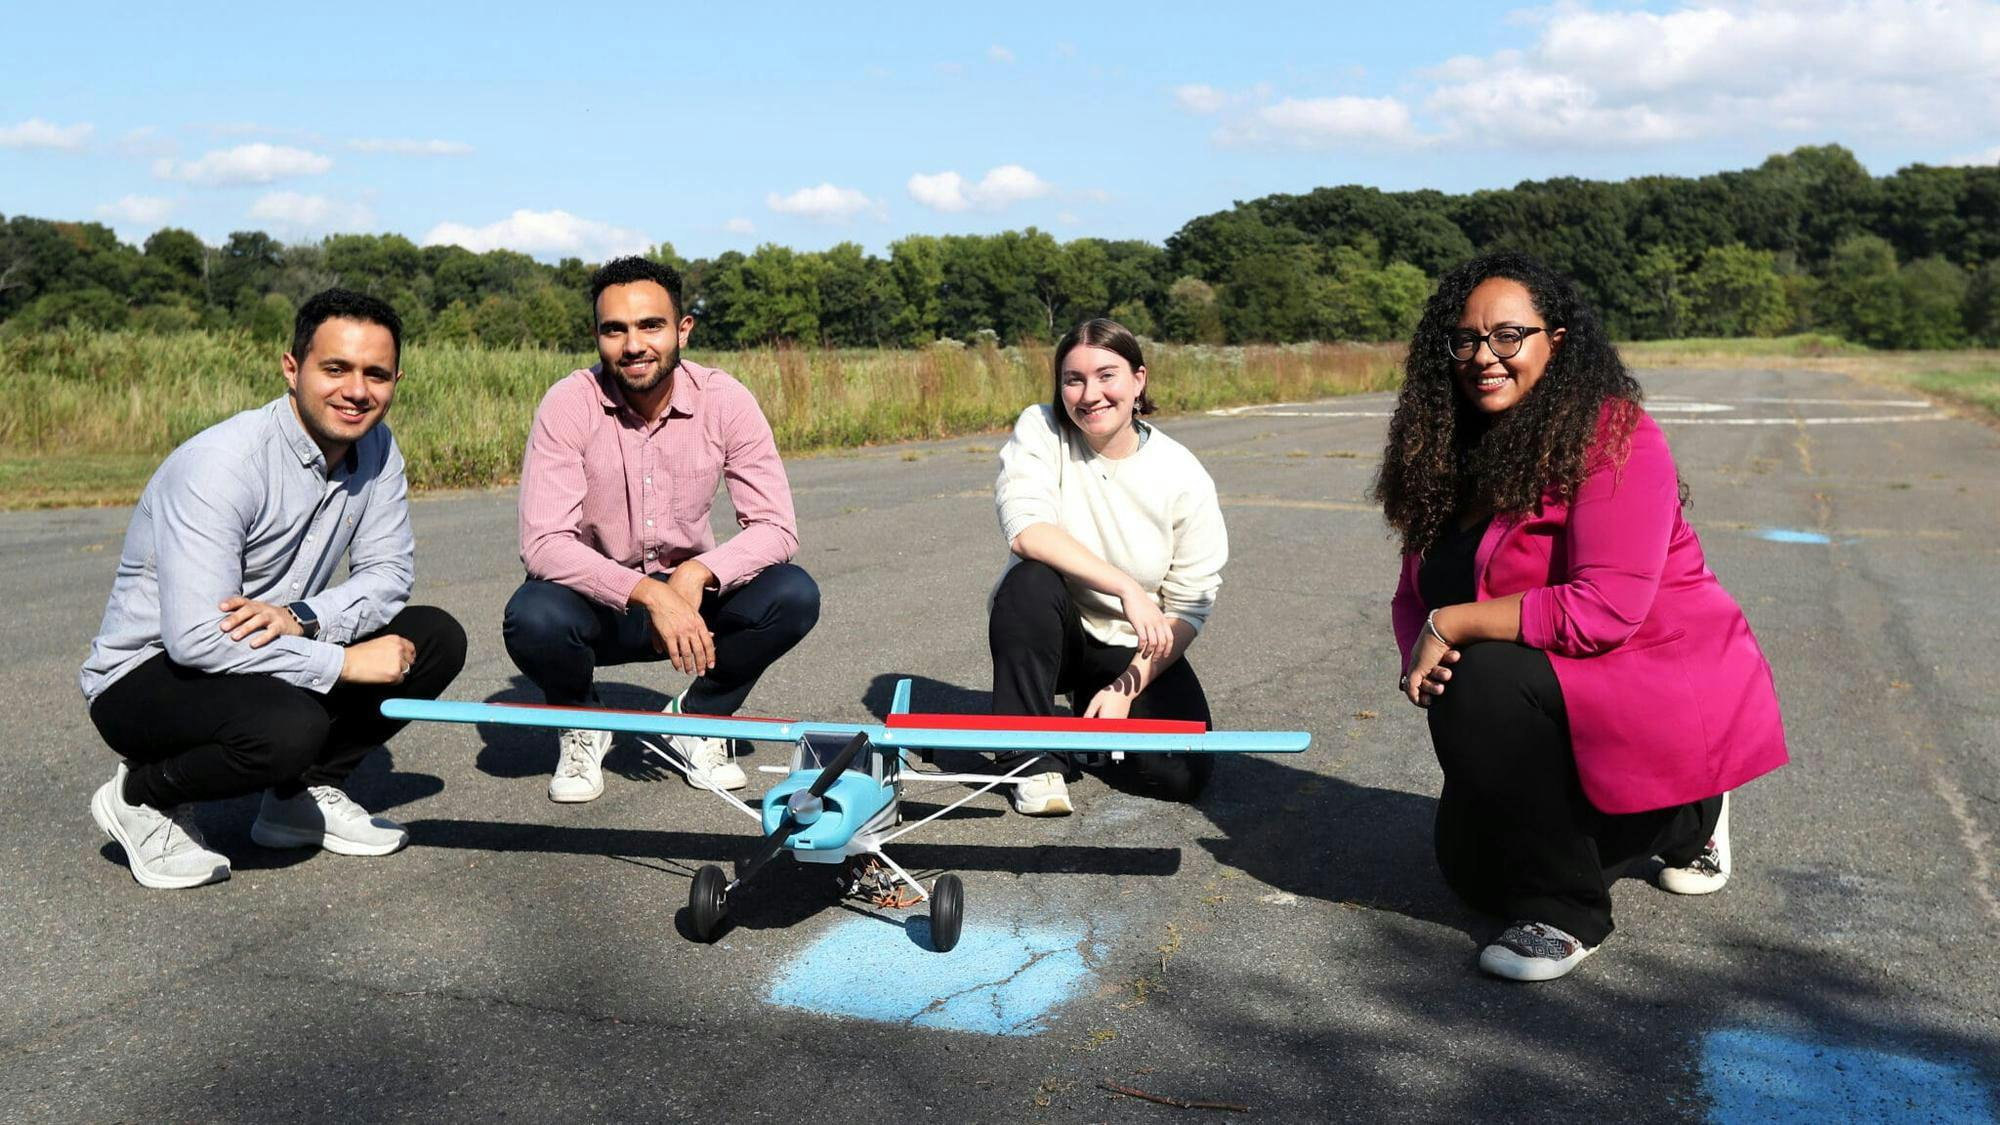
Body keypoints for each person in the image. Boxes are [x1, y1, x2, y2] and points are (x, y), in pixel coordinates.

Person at [1375, 250, 1788, 981]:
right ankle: (1630, 826)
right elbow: (1418, 589)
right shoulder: (1447, 448)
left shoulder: (1614, 434)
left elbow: (1604, 609)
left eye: (1509, 335)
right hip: (1547, 684)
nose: (1484, 356)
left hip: (1646, 675)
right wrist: (1422, 645)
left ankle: (1582, 901)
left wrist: (1453, 628)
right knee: (1470, 875)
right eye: (1465, 339)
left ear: (1555, 341)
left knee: (1485, 677)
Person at [82, 289, 467, 889]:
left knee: (434, 637)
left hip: (261, 650)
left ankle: (296, 799)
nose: (357, 391)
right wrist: (341, 662)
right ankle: (140, 796)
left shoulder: (378, 448)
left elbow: (388, 575)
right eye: (335, 368)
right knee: (290, 729)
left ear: (396, 379)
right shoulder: (221, 464)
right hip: (148, 674)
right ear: (292, 368)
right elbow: (197, 641)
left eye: (376, 374)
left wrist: (303, 618)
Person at [503, 256, 819, 802]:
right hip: (599, 603)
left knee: (793, 594)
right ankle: (583, 720)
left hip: (691, 602)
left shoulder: (726, 400)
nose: (633, 345)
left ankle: (699, 719)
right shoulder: (568, 403)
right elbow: (544, 544)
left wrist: (697, 574)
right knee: (532, 616)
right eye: (614, 330)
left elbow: (776, 527)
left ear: (682, 330)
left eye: (650, 325)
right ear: (597, 336)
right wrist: (647, 593)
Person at [988, 318, 1229, 816]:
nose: (1089, 394)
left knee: (1182, 775)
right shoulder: (1042, 427)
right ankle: (1031, 759)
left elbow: (1190, 605)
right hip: (1054, 631)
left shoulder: (1183, 473)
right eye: (1073, 379)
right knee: (1028, 580)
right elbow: (1026, 529)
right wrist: (1125, 587)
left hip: (1130, 645)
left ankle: (1086, 718)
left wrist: (1127, 688)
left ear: (1139, 380)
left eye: (1106, 375)